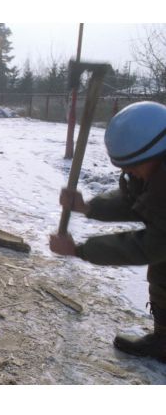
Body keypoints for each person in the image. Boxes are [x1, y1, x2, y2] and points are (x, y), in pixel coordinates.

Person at [50, 101, 166, 362]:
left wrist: (80, 250)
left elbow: (149, 246)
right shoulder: (156, 166)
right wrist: (88, 207)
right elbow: (136, 200)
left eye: (133, 167)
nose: (128, 172)